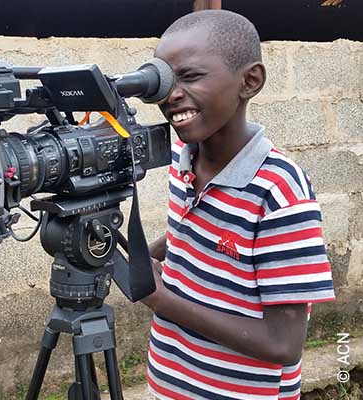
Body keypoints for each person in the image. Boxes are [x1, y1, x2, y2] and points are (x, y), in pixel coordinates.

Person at [141, 10, 335, 400]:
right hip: (167, 381)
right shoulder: (183, 153)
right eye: (164, 80)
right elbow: (195, 226)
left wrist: (160, 298)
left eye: (191, 76)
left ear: (250, 81)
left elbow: (283, 344)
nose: (171, 94)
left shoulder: (279, 191)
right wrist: (146, 253)